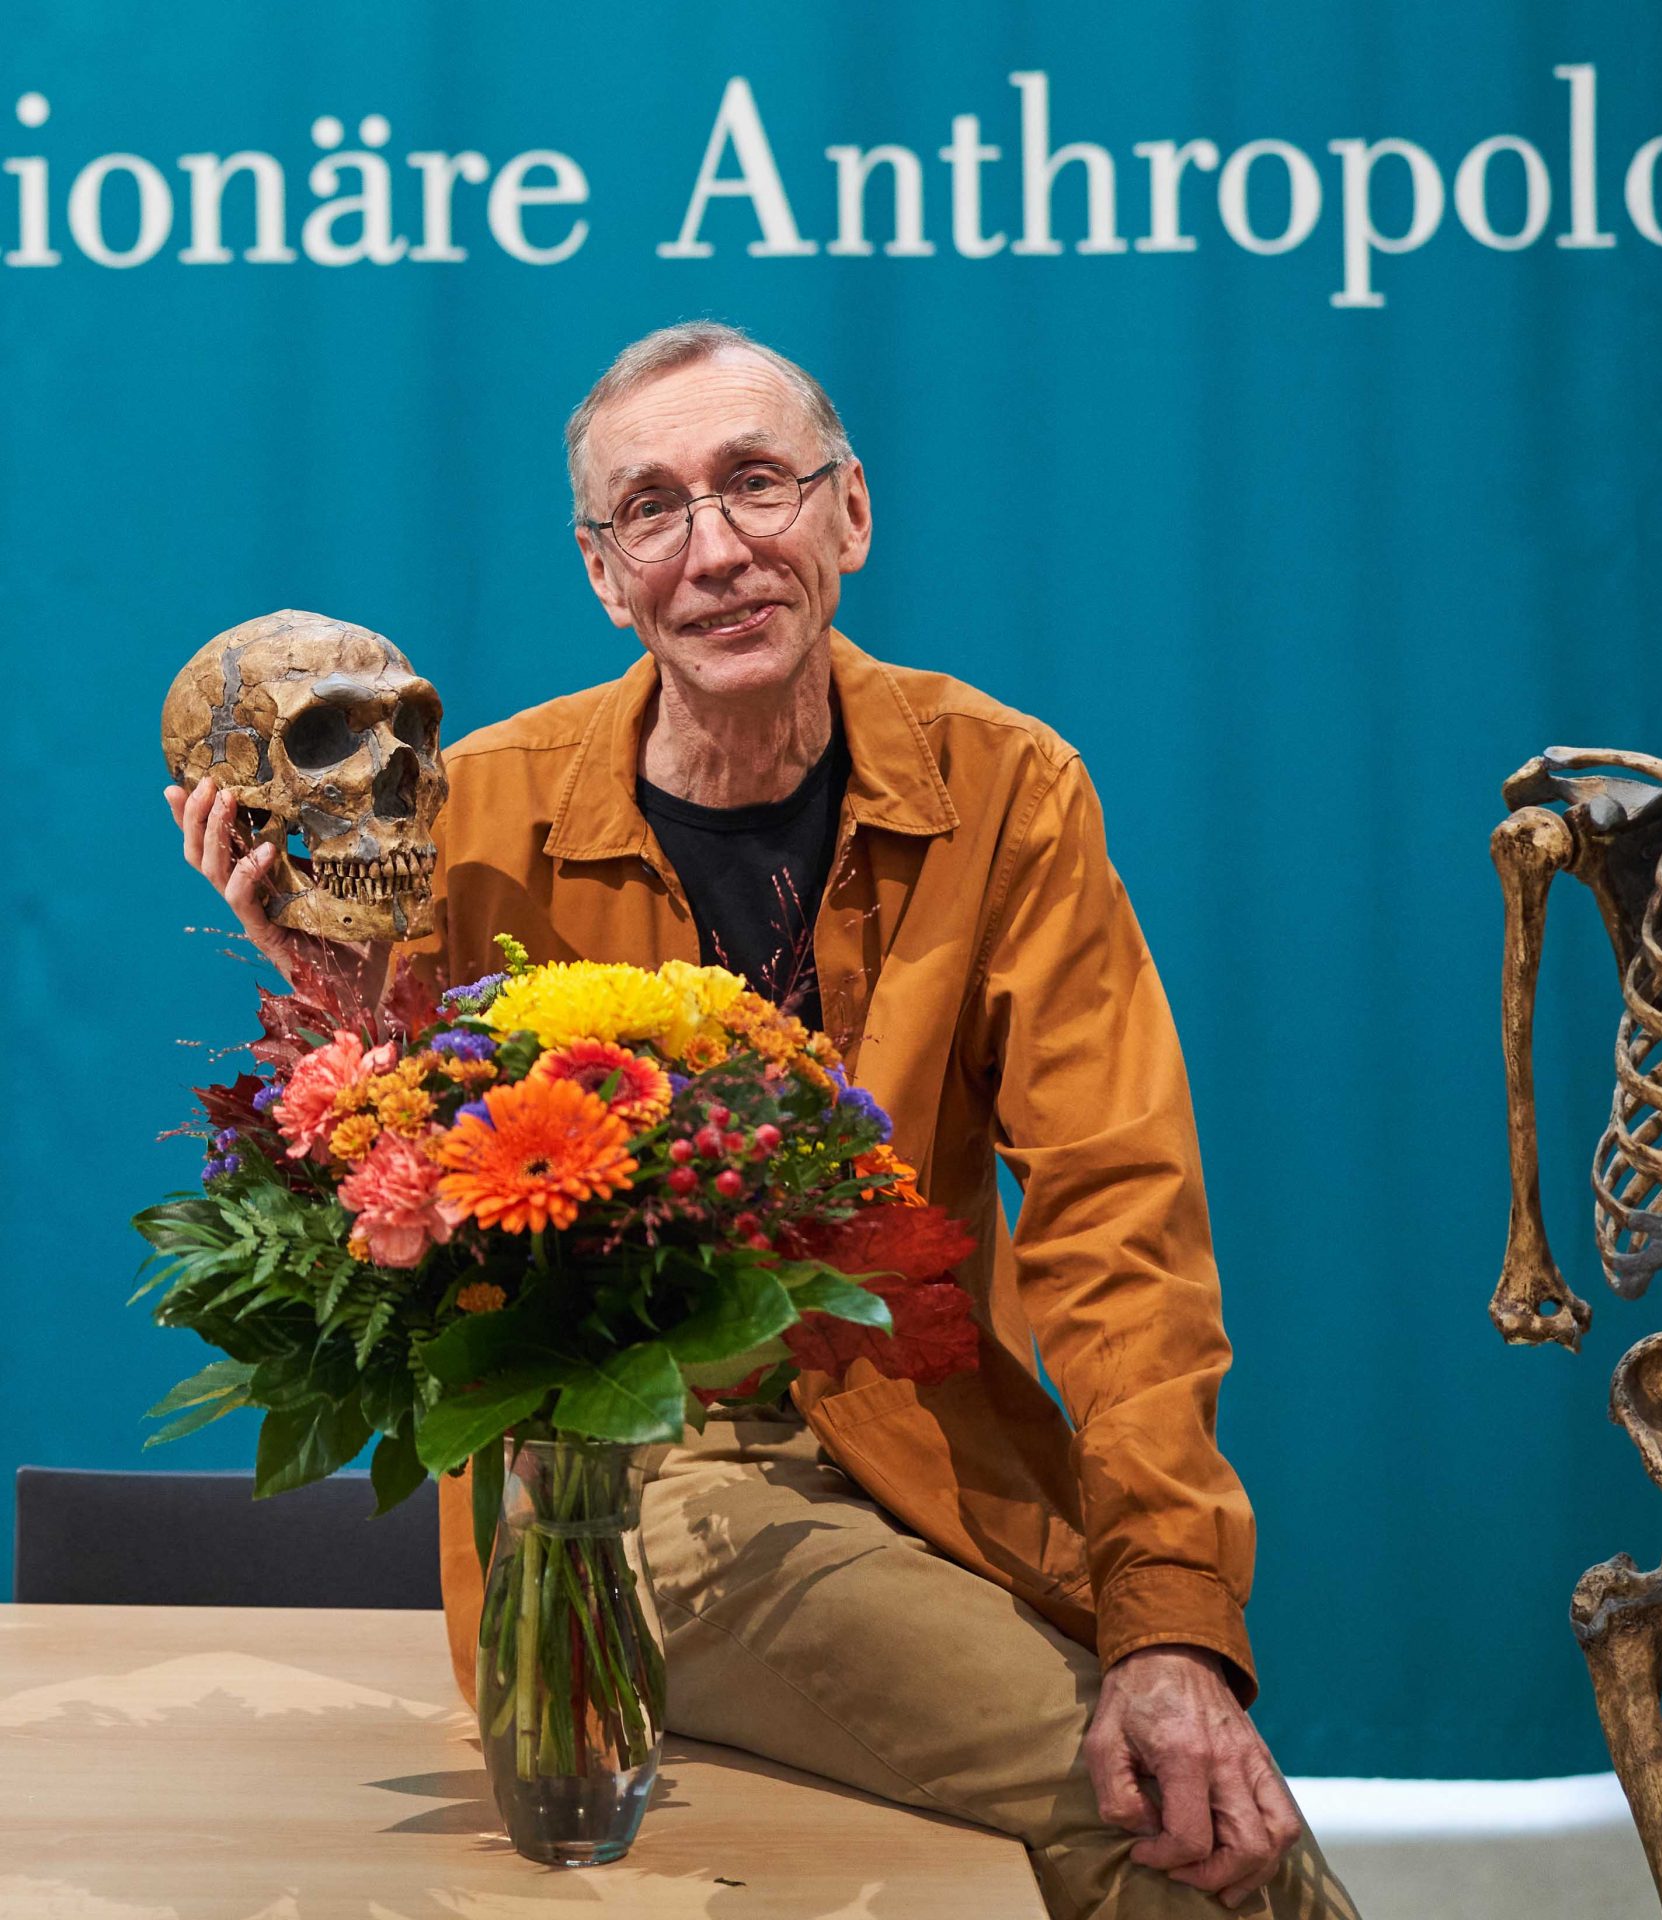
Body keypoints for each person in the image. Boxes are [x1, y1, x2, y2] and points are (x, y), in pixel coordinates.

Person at [167, 321, 1359, 1920]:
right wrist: (321, 979)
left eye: (756, 485)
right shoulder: (477, 812)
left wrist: (1165, 1616)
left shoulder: (1005, 790)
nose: (715, 550)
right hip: (623, 1490)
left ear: (849, 516)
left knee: (1184, 1792)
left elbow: (1120, 1222)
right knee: (1169, 1834)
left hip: (941, 1452)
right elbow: (389, 1214)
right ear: (603, 573)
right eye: (652, 511)